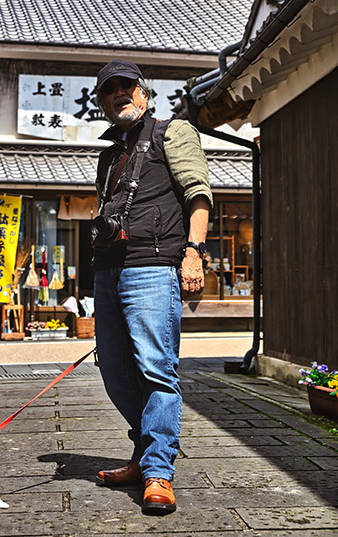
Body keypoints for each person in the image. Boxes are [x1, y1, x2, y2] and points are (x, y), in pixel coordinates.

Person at [92, 60, 212, 516]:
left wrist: (193, 251)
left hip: (153, 265)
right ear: (102, 103)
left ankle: (158, 470)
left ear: (143, 93)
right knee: (114, 370)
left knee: (156, 367)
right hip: (108, 269)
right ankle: (144, 454)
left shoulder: (172, 132)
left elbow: (197, 193)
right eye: (110, 91)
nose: (120, 94)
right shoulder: (108, 155)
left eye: (128, 87)